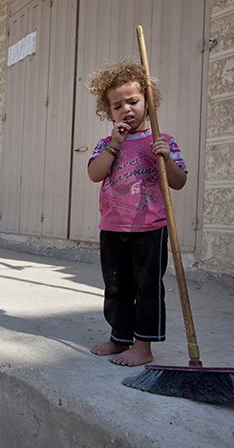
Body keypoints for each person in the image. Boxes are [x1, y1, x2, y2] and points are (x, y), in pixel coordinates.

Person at [86, 58, 188, 367]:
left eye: (133, 101)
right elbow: (94, 173)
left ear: (149, 101)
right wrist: (115, 145)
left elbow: (179, 182)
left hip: (150, 229)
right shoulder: (107, 143)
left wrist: (166, 159)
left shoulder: (163, 141)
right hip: (113, 228)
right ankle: (120, 338)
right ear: (109, 112)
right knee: (117, 286)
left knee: (147, 288)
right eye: (117, 106)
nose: (126, 109)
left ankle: (143, 346)